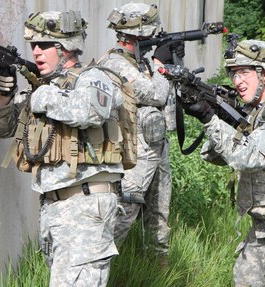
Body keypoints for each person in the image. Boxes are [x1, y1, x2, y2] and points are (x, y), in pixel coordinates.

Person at [0, 10, 125, 286]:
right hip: (55, 206)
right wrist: (4, 95)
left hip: (85, 204)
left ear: (67, 48)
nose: (36, 51)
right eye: (33, 45)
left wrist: (44, 96)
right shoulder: (46, 88)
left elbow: (91, 112)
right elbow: (2, 128)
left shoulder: (93, 78)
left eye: (46, 45)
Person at [182, 39, 265, 286]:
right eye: (234, 74)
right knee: (245, 279)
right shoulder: (257, 113)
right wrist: (224, 118)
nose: (237, 81)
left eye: (244, 72)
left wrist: (210, 118)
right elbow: (214, 156)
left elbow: (247, 157)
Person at [98, 2, 180, 256]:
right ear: (138, 35)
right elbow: (155, 93)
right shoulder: (115, 63)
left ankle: (157, 268)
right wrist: (160, 65)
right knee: (125, 213)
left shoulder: (140, 63)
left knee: (158, 215)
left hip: (155, 149)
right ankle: (100, 265)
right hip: (133, 154)